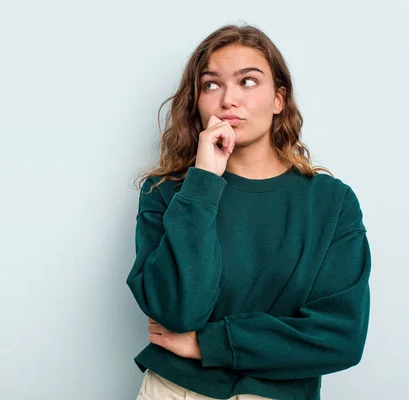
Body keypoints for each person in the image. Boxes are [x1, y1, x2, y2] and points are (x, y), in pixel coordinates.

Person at [125, 23, 371, 400]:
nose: (227, 99)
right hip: (176, 390)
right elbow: (177, 312)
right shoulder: (167, 192)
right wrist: (204, 181)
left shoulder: (331, 203)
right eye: (211, 84)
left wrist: (209, 344)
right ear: (197, 101)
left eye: (248, 81)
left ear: (279, 99)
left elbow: (340, 338)